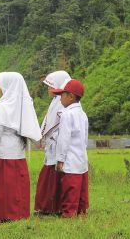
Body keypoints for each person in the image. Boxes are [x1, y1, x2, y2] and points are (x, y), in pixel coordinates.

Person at [0, 72, 41, 224]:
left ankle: (4, 215)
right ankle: (20, 213)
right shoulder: (22, 104)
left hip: (3, 152)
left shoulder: (4, 105)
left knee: (5, 186)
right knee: (17, 185)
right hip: (18, 151)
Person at [34, 70, 71, 215]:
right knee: (49, 176)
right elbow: (47, 121)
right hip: (52, 143)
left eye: (51, 86)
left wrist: (45, 136)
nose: (49, 89)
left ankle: (53, 207)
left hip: (57, 143)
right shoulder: (55, 101)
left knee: (54, 175)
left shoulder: (62, 102)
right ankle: (48, 207)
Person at [52, 79, 89, 218]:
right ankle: (81, 211)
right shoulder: (82, 114)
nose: (60, 98)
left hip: (70, 158)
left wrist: (60, 159)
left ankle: (69, 213)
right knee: (81, 188)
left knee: (70, 188)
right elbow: (85, 138)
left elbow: (64, 138)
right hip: (81, 157)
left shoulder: (67, 114)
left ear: (71, 96)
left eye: (62, 94)